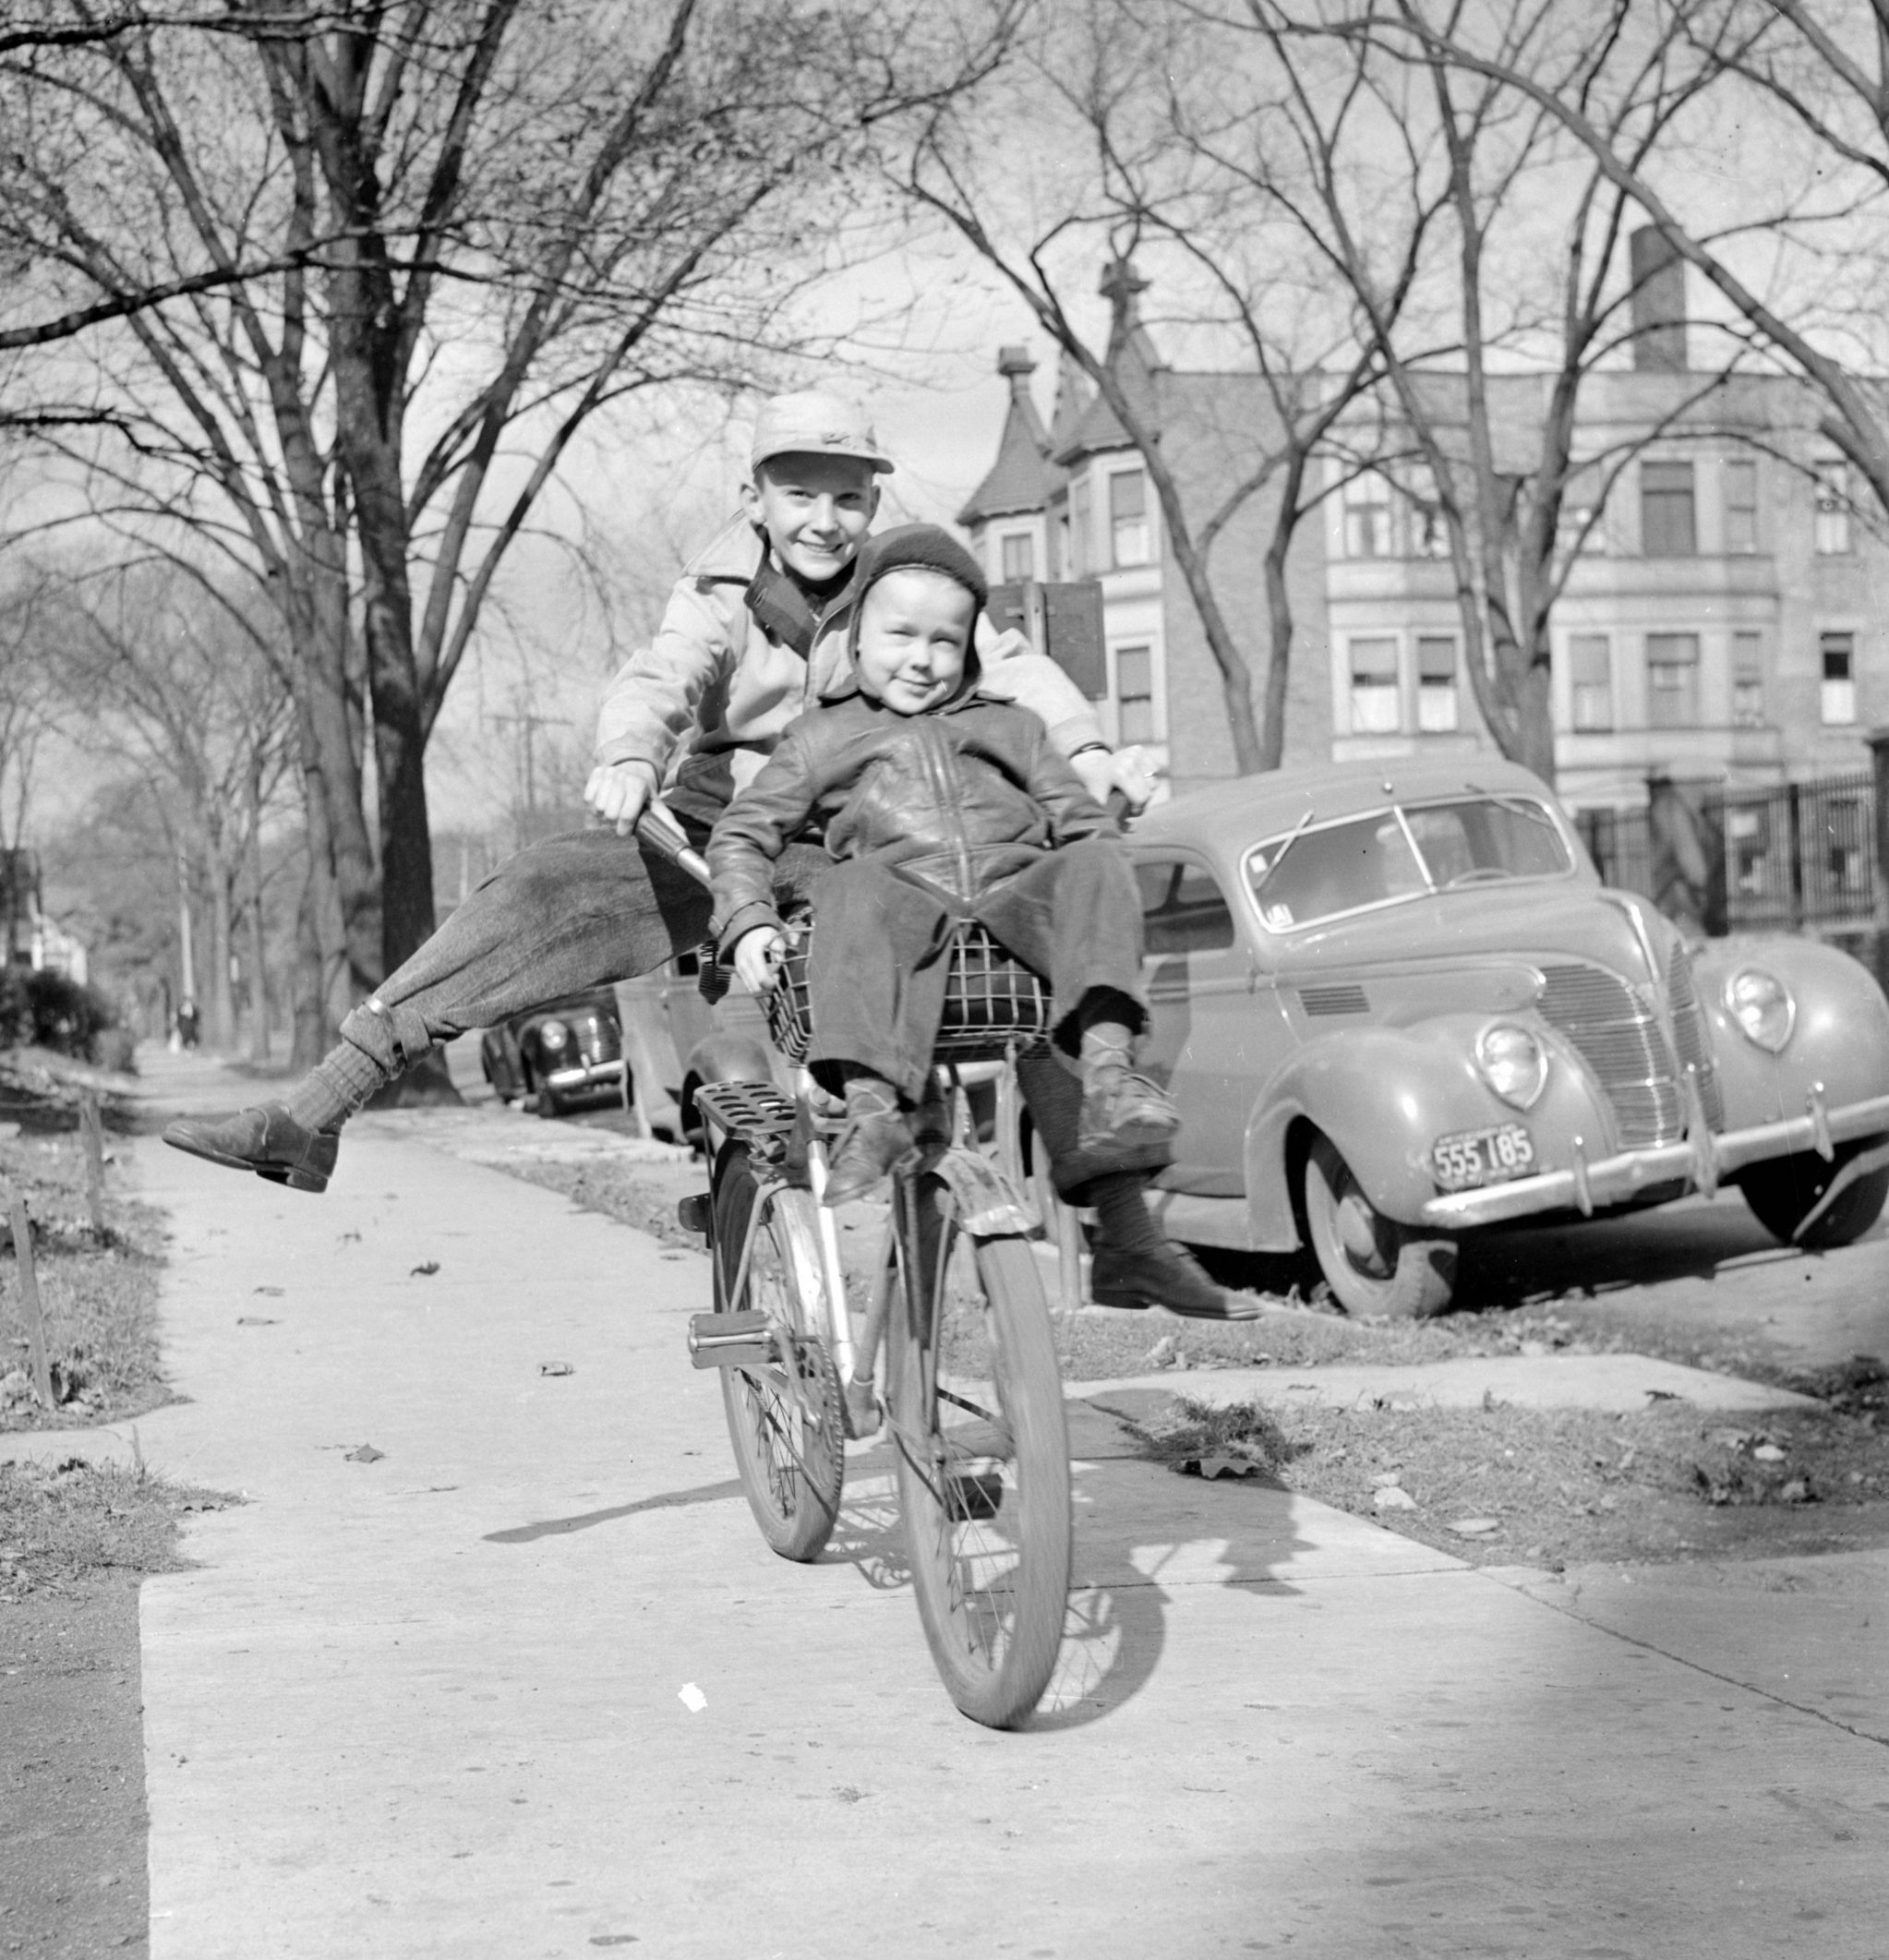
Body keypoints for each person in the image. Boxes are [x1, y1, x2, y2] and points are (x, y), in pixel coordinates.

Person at [162, 392, 1250, 1316]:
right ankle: (316, 1112)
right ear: (757, 498)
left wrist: (1095, 752)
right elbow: (664, 672)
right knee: (539, 893)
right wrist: (628, 756)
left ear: (874, 501)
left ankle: (1119, 1225)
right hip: (719, 832)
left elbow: (1015, 673)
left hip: (864, 831)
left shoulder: (906, 590)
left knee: (1016, 929)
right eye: (800, 494)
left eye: (847, 496)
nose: (824, 520)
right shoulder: (725, 593)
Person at [707, 523, 1180, 1206]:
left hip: (1012, 903)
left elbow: (1076, 817)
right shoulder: (820, 737)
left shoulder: (1011, 725)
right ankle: (875, 1116)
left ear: (969, 651)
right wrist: (749, 919)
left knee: (1097, 858)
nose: (923, 660)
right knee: (848, 883)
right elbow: (742, 835)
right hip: (906, 910)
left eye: (945, 642)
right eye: (901, 635)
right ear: (857, 638)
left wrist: (1109, 802)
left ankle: (1109, 1081)